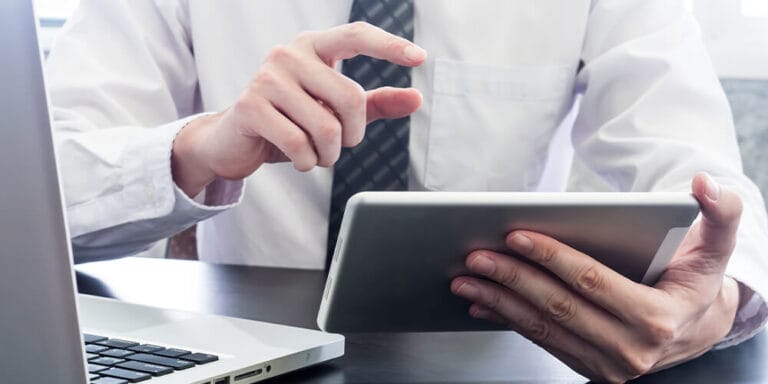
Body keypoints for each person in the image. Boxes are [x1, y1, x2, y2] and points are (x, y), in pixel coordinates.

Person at [47, 0, 768, 381]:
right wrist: (196, 148)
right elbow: (39, 190)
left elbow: (698, 174)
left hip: (495, 361)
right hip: (244, 356)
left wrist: (714, 303)